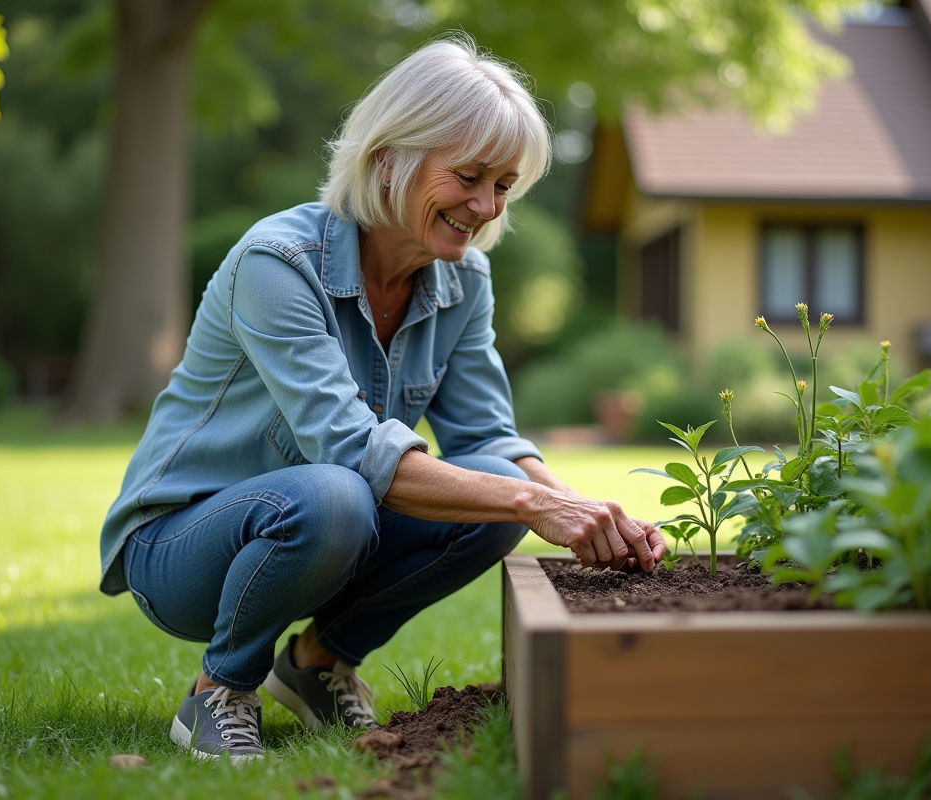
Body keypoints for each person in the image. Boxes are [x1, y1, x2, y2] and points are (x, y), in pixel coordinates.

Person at [98, 35, 666, 762]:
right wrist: (535, 504)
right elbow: (350, 452)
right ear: (388, 157)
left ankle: (315, 666)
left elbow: (489, 434)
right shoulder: (279, 264)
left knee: (496, 489)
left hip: (323, 523)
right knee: (348, 494)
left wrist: (588, 516)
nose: (487, 205)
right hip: (180, 547)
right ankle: (219, 689)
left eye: (503, 185)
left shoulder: (465, 283)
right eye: (468, 176)